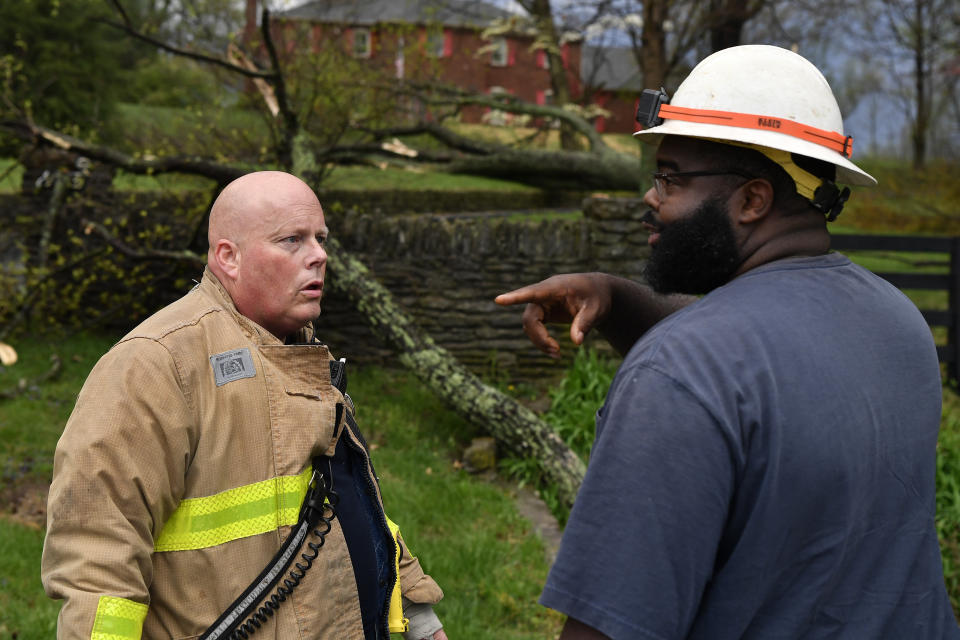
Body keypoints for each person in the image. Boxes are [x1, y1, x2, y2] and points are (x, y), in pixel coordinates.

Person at [496, 45, 960, 639]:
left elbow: (609, 628)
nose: (650, 198)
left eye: (670, 178)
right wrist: (615, 295)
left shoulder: (679, 371)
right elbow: (761, 360)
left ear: (751, 200)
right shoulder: (899, 322)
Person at [41, 171, 448, 640]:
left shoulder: (296, 349)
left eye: (320, 238)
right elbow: (97, 557)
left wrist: (418, 614)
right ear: (228, 258)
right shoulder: (156, 362)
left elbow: (349, 500)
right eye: (292, 240)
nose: (319, 255)